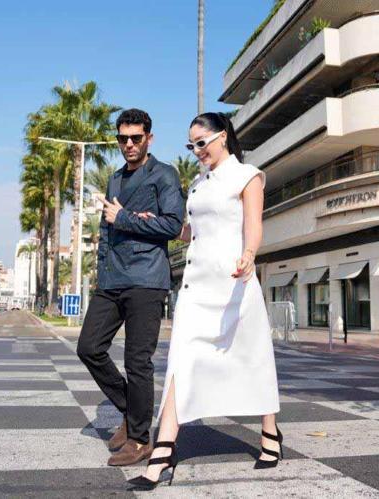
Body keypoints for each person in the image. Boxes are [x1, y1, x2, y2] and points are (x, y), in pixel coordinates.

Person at [128, 112, 282, 490]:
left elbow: (253, 224)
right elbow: (195, 232)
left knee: (253, 357)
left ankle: (270, 432)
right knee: (181, 361)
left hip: (234, 283)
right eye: (191, 145)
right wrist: (162, 225)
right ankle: (164, 451)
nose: (197, 151)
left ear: (222, 137)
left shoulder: (248, 176)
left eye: (201, 143)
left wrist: (249, 254)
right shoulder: (198, 184)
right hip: (197, 286)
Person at [77, 108, 185, 467]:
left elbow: (172, 225)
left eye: (136, 138)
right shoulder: (114, 179)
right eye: (122, 138)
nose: (129, 144)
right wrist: (101, 270)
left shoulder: (164, 175)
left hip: (146, 280)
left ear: (148, 138)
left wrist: (123, 218)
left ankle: (139, 440)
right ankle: (131, 410)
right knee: (89, 347)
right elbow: (106, 230)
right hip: (112, 279)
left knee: (137, 361)